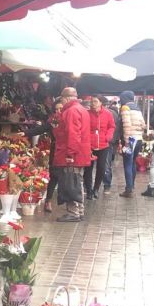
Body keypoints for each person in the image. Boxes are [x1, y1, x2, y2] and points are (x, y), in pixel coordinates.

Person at [53, 87, 91, 222]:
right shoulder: (82, 109)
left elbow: (72, 134)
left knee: (71, 182)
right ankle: (79, 211)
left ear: (67, 98)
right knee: (77, 181)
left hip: (72, 153)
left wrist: (70, 153)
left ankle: (73, 212)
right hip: (81, 152)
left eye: (62, 99)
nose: (62, 102)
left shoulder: (71, 111)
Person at [83, 96, 115, 200]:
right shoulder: (87, 113)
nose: (93, 103)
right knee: (88, 168)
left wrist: (108, 136)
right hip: (90, 145)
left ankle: (96, 188)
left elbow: (111, 126)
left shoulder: (107, 114)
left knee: (101, 168)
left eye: (95, 101)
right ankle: (89, 190)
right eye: (92, 101)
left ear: (101, 103)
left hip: (103, 145)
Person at [117, 91, 145, 198]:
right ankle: (131, 186)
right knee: (133, 162)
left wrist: (126, 142)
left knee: (127, 164)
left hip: (130, 140)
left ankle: (128, 190)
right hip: (139, 139)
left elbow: (126, 125)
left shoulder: (125, 108)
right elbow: (143, 125)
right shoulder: (137, 108)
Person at [43, 99, 64, 213]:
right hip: (55, 149)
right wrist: (26, 133)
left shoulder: (68, 119)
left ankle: (67, 201)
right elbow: (41, 129)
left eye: (60, 108)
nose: (58, 111)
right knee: (54, 175)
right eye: (56, 109)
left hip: (66, 150)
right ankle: (48, 201)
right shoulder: (52, 121)